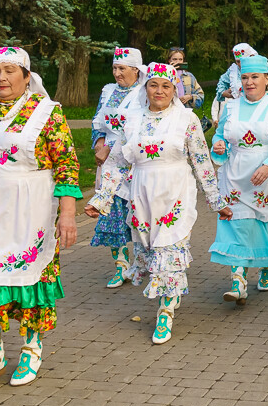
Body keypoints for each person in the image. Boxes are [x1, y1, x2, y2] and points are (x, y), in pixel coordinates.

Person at [0, 47, 81, 392]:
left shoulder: (48, 112)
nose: (1, 78)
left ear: (26, 76)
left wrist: (67, 214)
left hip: (29, 208)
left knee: (29, 281)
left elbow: (66, 164)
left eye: (9, 71)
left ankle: (31, 351)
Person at [86, 63, 233, 345]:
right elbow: (116, 163)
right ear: (145, 88)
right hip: (141, 194)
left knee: (170, 248)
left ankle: (165, 312)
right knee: (152, 250)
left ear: (175, 89)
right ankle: (171, 292)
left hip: (175, 191)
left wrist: (216, 201)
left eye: (166, 86)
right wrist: (101, 199)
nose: (159, 91)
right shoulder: (131, 119)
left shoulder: (186, 119)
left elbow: (202, 163)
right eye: (154, 85)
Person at [210, 55, 268, 304]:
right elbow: (218, 135)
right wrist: (219, 144)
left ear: (267, 79)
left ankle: (265, 267)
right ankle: (238, 280)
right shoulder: (232, 107)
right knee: (236, 223)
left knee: (262, 224)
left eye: (254, 77)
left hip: (265, 176)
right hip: (235, 175)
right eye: (245, 77)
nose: (249, 82)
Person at [90, 47, 146, 288]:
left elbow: (143, 125)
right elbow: (97, 122)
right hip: (108, 162)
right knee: (111, 214)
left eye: (122, 68)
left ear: (135, 69)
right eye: (114, 68)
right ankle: (120, 265)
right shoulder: (107, 91)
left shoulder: (143, 93)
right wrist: (99, 143)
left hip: (133, 160)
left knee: (137, 214)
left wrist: (112, 148)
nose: (117, 73)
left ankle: (141, 264)